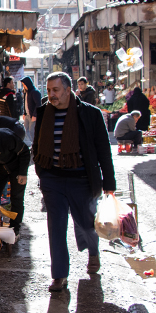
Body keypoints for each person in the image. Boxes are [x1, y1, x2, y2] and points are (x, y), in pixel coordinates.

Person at [32, 72, 116, 292]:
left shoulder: (91, 114)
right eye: (48, 90)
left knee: (88, 224)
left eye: (56, 90)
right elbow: (37, 144)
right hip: (53, 180)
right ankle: (59, 275)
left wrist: (109, 183)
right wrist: (42, 172)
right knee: (56, 227)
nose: (51, 95)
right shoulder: (43, 113)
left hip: (82, 180)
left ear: (68, 90)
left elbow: (103, 150)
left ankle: (93, 252)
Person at [21, 76, 41, 145]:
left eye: (24, 84)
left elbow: (38, 104)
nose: (23, 86)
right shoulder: (26, 93)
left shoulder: (35, 92)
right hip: (27, 115)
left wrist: (35, 115)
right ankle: (31, 144)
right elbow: (25, 103)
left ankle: (35, 144)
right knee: (25, 130)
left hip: (32, 115)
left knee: (32, 131)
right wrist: (24, 112)